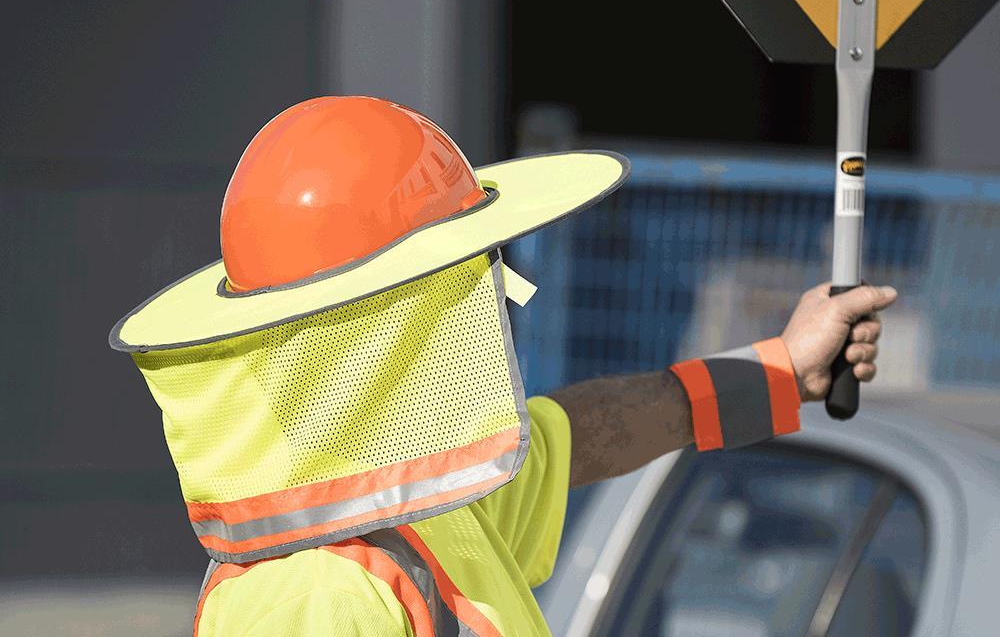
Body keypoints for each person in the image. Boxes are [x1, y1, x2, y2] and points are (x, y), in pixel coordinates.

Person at [109, 96, 894, 637]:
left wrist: (784, 368)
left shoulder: (418, 496)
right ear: (390, 321)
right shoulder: (315, 594)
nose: (486, 301)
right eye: (460, 278)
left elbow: (581, 436)